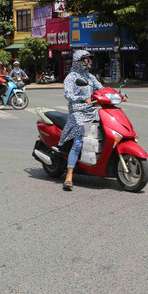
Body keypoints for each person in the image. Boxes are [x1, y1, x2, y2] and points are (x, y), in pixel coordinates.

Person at [57, 50, 103, 191]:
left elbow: (101, 88)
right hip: (77, 112)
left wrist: (117, 94)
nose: (88, 63)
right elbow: (68, 94)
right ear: (77, 61)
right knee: (78, 142)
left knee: (102, 134)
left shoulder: (90, 77)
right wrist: (82, 98)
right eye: (85, 60)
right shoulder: (71, 77)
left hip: (91, 111)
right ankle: (69, 176)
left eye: (89, 60)